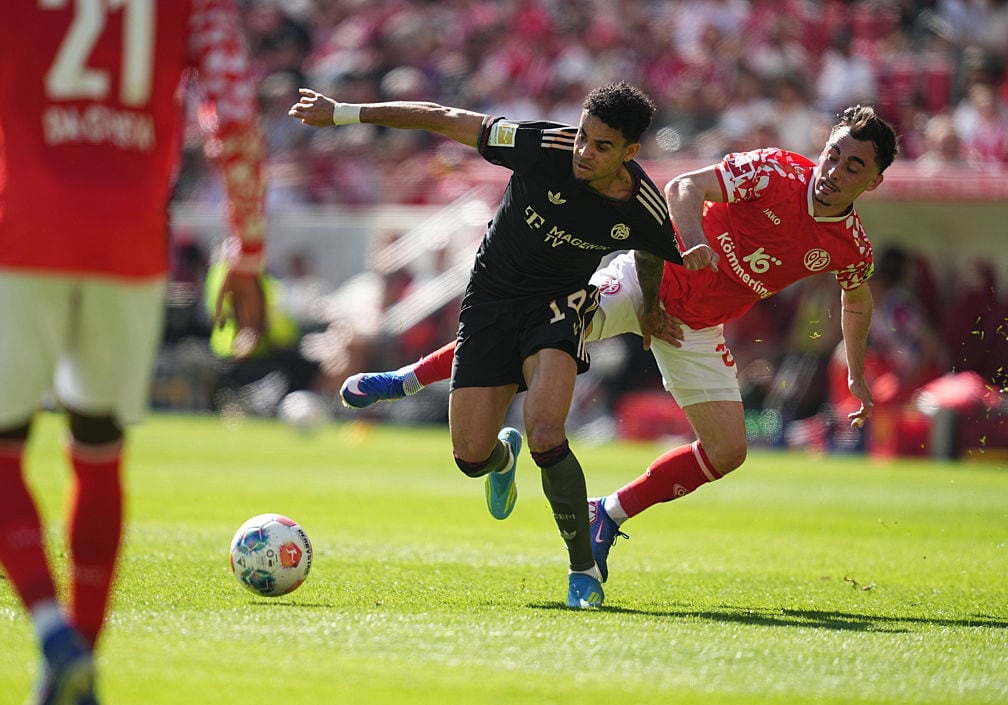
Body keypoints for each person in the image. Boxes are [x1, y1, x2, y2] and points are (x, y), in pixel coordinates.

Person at [338, 105, 899, 584]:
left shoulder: (850, 244)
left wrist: (853, 369)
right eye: (833, 153)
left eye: (853, 165)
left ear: (871, 182)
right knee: (536, 328)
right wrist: (696, 243)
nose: (833, 170)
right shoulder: (775, 169)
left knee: (729, 450)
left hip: (695, 328)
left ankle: (607, 512)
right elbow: (686, 187)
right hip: (641, 283)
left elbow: (857, 298)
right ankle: (406, 379)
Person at [289, 82, 681, 608]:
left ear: (631, 152)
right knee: (469, 455)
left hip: (558, 306)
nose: (585, 152)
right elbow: (441, 115)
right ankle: (500, 458)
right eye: (583, 137)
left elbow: (651, 250)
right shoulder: (540, 145)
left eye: (602, 146)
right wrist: (342, 113)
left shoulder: (645, 204)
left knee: (547, 431)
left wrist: (652, 306)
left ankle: (582, 570)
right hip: (492, 300)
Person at [0, 2, 267, 703]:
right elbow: (232, 111)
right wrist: (248, 246)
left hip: (24, 232)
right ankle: (77, 663)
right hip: (131, 241)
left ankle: (53, 634)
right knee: (99, 445)